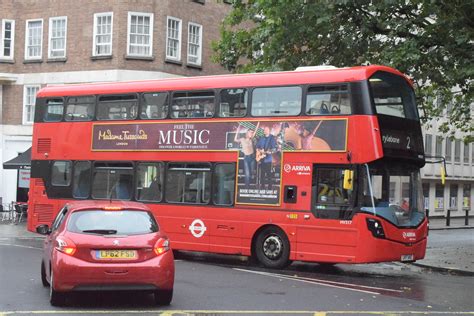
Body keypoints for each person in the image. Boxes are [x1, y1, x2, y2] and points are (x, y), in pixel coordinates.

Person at [234, 123, 259, 188]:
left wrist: (258, 123)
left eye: (252, 133)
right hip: (246, 158)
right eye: (250, 132)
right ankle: (247, 187)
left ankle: (251, 179)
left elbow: (255, 130)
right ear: (247, 133)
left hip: (252, 157)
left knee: (252, 173)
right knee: (247, 174)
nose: (251, 133)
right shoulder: (242, 139)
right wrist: (237, 131)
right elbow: (235, 140)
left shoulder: (251, 139)